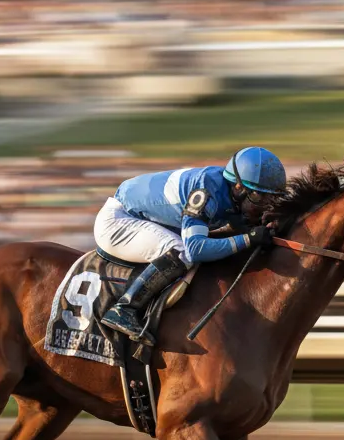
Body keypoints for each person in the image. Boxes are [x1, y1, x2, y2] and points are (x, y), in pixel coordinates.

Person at [95, 147, 286, 344]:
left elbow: (242, 226)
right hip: (118, 221)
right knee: (181, 251)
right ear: (238, 188)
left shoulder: (230, 193)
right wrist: (249, 239)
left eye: (271, 197)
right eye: (259, 197)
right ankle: (124, 308)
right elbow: (196, 250)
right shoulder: (205, 192)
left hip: (144, 217)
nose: (264, 204)